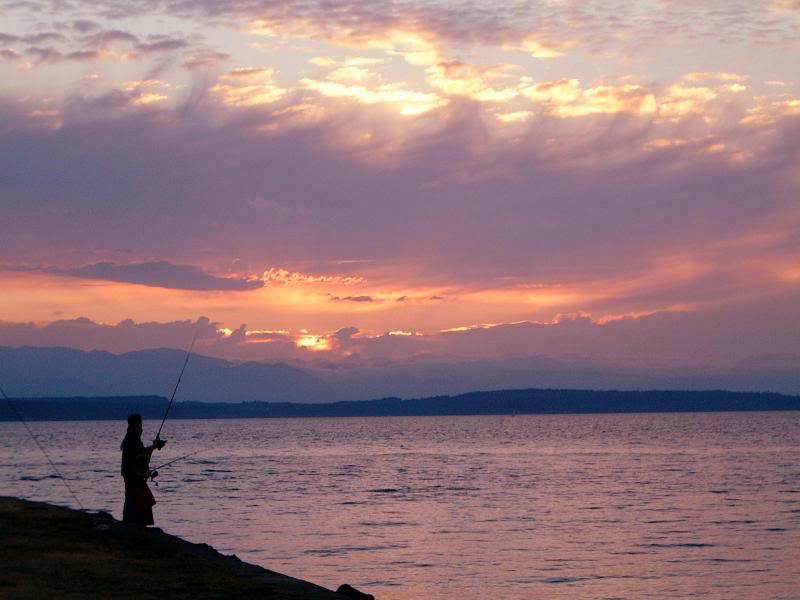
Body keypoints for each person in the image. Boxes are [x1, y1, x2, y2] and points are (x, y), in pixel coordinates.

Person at [120, 413, 166, 526]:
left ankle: (132, 522)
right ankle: (134, 524)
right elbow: (141, 453)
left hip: (132, 473)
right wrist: (155, 446)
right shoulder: (133, 437)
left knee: (135, 498)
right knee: (138, 499)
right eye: (141, 424)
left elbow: (140, 455)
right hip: (133, 474)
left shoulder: (130, 436)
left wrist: (154, 447)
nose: (142, 427)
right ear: (137, 424)